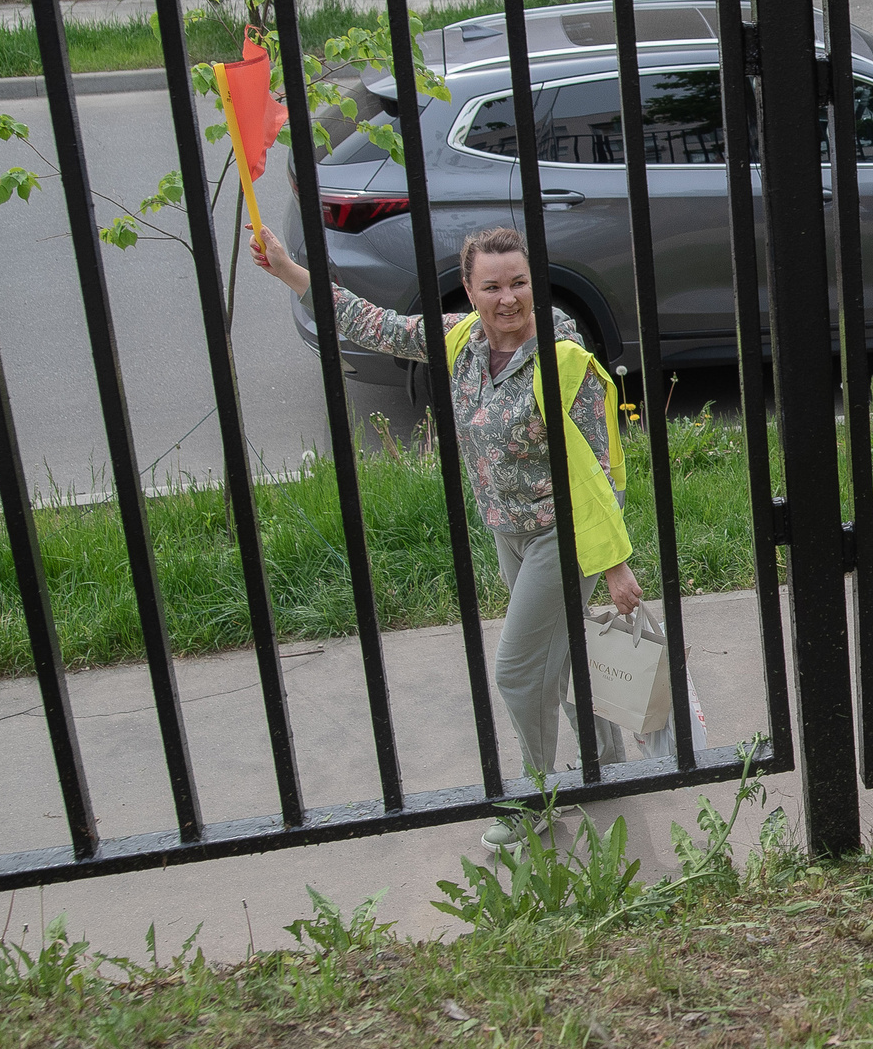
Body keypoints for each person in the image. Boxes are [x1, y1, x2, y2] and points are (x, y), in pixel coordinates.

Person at [250, 222, 644, 850]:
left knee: (517, 671)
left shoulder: (565, 363)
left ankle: (534, 798)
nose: (508, 298)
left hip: (564, 537)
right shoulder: (461, 341)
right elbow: (374, 324)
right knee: (561, 652)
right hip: (508, 531)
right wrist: (292, 273)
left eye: (519, 283)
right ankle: (606, 763)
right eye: (492, 287)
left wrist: (616, 562)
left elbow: (599, 473)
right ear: (468, 288)